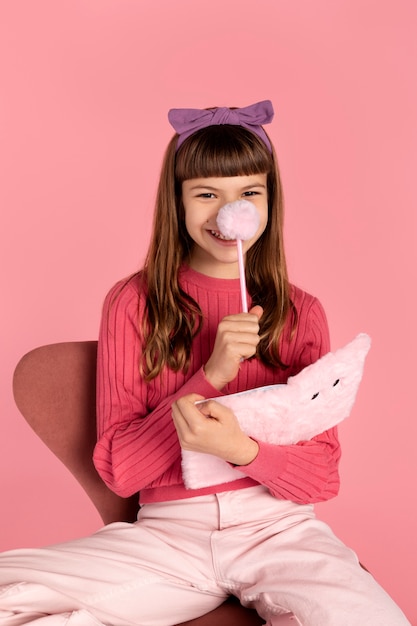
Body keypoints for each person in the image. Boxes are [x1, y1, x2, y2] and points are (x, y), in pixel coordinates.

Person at [0, 100, 410, 626]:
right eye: (207, 194)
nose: (226, 211)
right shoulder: (133, 302)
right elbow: (121, 472)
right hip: (171, 534)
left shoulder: (301, 312)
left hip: (280, 531)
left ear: (269, 202)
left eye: (247, 193)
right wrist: (210, 374)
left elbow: (322, 478)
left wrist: (240, 450)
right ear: (179, 202)